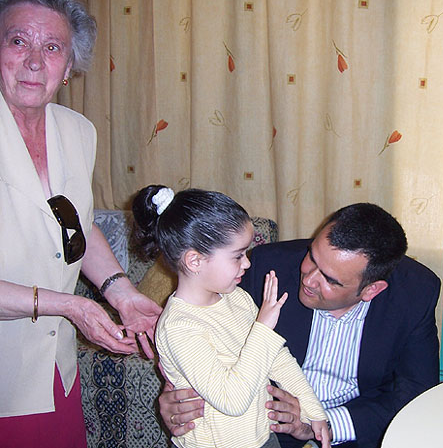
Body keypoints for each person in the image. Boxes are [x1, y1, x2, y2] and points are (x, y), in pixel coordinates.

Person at [0, 0, 161, 446]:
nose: (35, 61)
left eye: (52, 47)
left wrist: (121, 292)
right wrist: (72, 305)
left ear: (69, 66)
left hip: (55, 365)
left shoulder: (76, 132)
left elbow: (76, 225)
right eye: (18, 41)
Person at [159, 202, 442, 448]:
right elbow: (198, 328)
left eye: (330, 280)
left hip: (353, 429)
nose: (307, 279)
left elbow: (416, 391)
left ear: (371, 290)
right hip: (262, 425)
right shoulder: (267, 266)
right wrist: (173, 395)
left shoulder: (415, 292)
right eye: (312, 257)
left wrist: (324, 422)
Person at [132, 185, 330, 448]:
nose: (247, 264)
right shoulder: (178, 327)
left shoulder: (237, 298)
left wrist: (313, 410)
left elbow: (278, 359)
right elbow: (232, 400)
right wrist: (263, 327)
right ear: (195, 261)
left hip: (262, 438)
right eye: (237, 256)